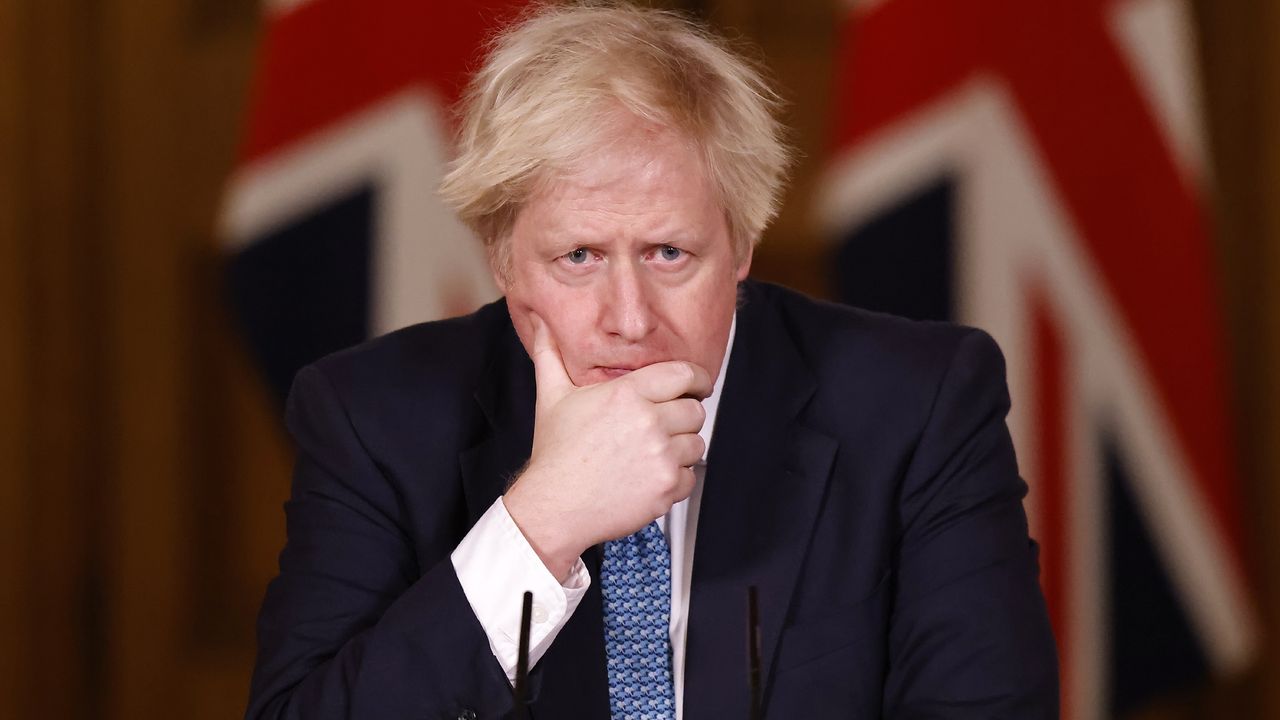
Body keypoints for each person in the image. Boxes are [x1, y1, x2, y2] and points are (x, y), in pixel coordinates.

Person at [246, 3, 1059, 719]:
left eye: (670, 252)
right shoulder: (372, 418)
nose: (628, 320)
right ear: (502, 258)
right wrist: (539, 525)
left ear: (741, 242)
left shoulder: (920, 406)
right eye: (578, 257)